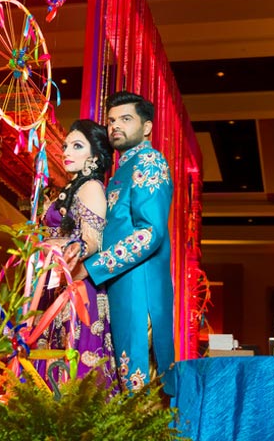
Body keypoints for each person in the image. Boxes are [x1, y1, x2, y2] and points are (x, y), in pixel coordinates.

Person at [72, 91, 175, 394]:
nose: (115, 126)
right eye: (112, 121)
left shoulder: (150, 161)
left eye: (126, 119)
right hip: (119, 286)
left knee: (139, 387)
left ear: (147, 127)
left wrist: (91, 268)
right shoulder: (120, 171)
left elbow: (149, 233)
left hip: (138, 288)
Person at [32, 119, 118, 388]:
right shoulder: (73, 187)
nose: (66, 152)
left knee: (73, 361)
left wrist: (73, 250)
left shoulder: (91, 186)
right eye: (66, 146)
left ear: (94, 156)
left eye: (77, 146)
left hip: (77, 286)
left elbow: (93, 239)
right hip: (56, 280)